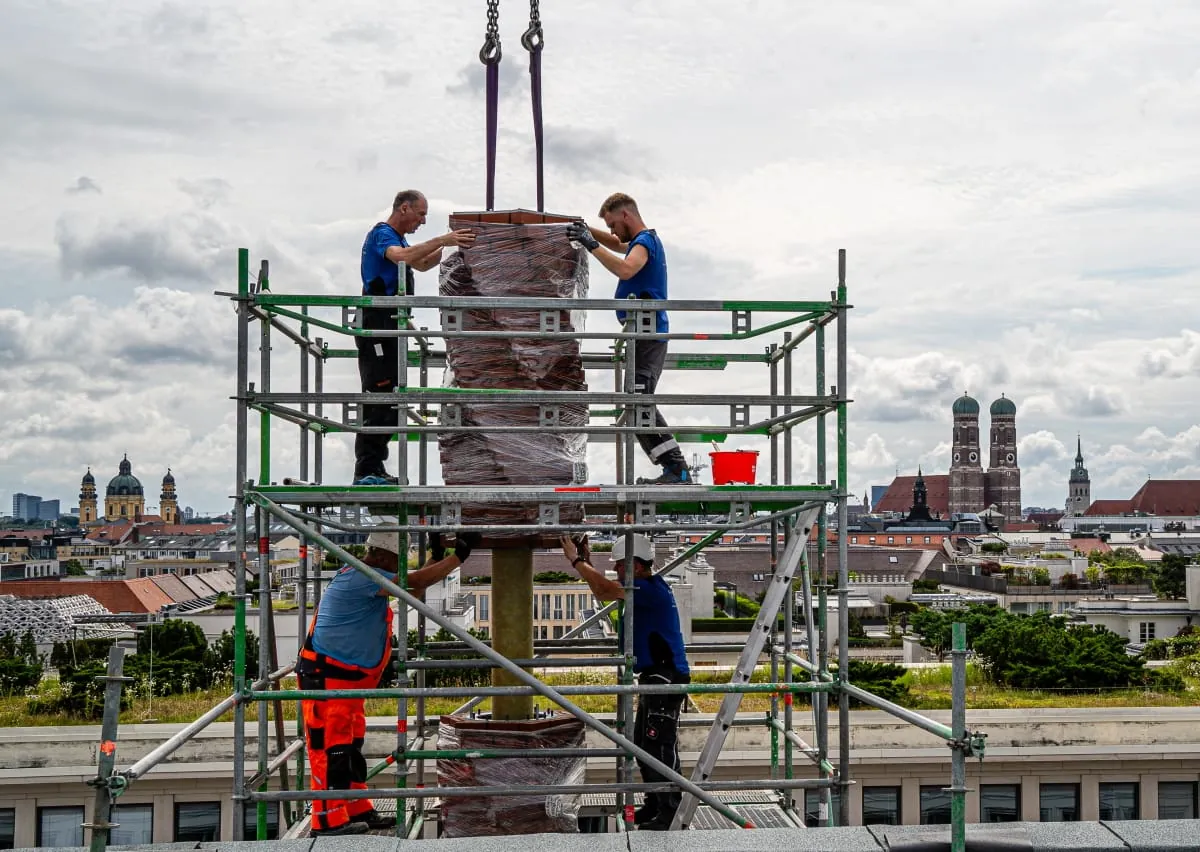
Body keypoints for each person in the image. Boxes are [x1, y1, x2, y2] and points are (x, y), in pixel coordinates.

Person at [296, 528, 480, 835]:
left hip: (347, 682)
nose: (400, 567)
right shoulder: (363, 575)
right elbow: (415, 584)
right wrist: (457, 557)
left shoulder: (367, 574)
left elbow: (411, 588)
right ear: (381, 555)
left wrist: (436, 556)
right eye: (398, 560)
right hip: (328, 680)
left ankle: (355, 808)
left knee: (349, 744)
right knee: (329, 747)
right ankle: (327, 820)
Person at [560, 533, 690, 830]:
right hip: (657, 675)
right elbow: (602, 589)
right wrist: (586, 561)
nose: (617, 570)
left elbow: (605, 590)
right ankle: (656, 804)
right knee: (645, 743)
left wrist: (577, 561)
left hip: (664, 676)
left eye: (620, 565)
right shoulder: (645, 587)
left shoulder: (647, 589)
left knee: (659, 746)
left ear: (636, 564)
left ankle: (671, 812)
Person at [565, 193, 692, 484]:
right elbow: (619, 245)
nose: (610, 231)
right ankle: (672, 468)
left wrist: (590, 243)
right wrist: (585, 228)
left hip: (648, 335)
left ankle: (677, 469)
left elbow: (626, 267)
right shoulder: (639, 242)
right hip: (643, 334)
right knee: (635, 404)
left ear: (626, 216)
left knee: (638, 402)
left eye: (611, 224)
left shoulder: (645, 242)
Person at [355, 190, 476, 485]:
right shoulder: (383, 235)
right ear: (404, 208)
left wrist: (452, 248)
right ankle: (366, 470)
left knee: (390, 395)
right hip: (379, 322)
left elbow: (420, 263)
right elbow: (402, 257)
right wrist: (442, 241)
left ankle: (374, 468)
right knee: (379, 393)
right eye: (421, 214)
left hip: (391, 322)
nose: (422, 221)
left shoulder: (400, 239)